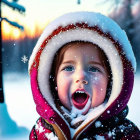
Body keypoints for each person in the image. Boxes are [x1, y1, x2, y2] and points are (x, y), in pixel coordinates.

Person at [29, 12, 140, 140]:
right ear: (53, 81)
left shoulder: (124, 134)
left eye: (94, 69)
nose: (81, 76)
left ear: (111, 82)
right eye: (69, 68)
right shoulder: (41, 131)